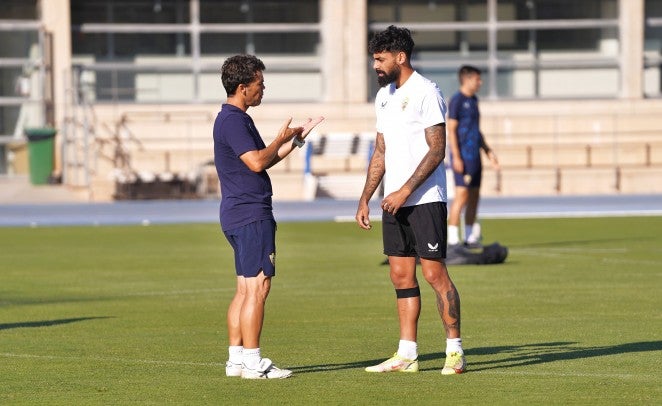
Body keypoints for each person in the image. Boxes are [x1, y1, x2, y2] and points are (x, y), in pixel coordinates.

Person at [355, 25, 465, 375]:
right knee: (401, 276)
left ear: (400, 57)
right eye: (374, 59)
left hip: (425, 199)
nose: (375, 65)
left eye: (380, 59)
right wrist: (365, 198)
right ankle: (407, 354)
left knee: (434, 273)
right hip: (394, 202)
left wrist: (404, 190)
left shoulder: (426, 92)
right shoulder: (383, 96)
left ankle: (455, 351)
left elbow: (438, 150)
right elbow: (381, 151)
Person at [213, 54, 323, 379]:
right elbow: (258, 163)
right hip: (250, 214)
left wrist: (296, 139)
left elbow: (265, 158)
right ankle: (253, 361)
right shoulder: (233, 120)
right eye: (260, 84)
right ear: (244, 87)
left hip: (238, 213)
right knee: (259, 288)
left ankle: (236, 360)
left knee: (245, 290)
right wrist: (279, 137)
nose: (264, 89)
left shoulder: (235, 118)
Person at [447, 65, 499, 247]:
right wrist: (456, 157)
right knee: (461, 195)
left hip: (475, 157)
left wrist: (488, 151)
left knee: (474, 196)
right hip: (462, 157)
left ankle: (469, 237)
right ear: (467, 79)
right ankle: (452, 239)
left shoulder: (475, 100)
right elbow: (451, 130)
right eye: (477, 79)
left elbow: (477, 131)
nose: (480, 82)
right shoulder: (457, 101)